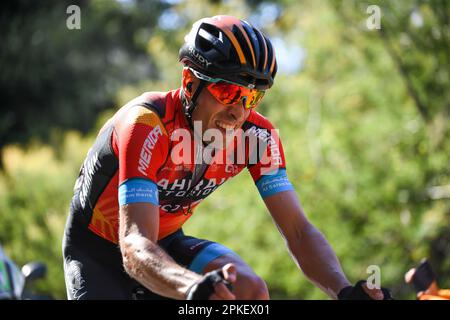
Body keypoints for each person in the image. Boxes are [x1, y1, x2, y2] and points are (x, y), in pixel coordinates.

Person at [62, 15, 391, 300]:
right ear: (190, 83)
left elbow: (299, 232)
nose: (238, 111)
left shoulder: (257, 138)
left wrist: (344, 290)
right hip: (99, 250)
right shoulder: (147, 124)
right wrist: (192, 287)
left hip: (166, 242)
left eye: (251, 96)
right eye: (227, 92)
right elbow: (134, 243)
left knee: (248, 292)